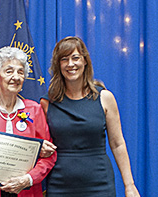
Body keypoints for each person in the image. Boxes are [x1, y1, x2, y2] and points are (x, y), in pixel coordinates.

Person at [40, 36, 140, 196]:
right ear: (58, 65)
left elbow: (117, 144)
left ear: (85, 61)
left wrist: (129, 185)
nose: (71, 64)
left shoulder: (105, 98)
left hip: (100, 185)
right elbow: (40, 144)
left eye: (75, 58)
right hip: (60, 185)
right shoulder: (46, 103)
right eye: (64, 59)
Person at [0, 46, 57, 197]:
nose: (16, 77)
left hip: (27, 191)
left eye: (20, 72)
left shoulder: (34, 110)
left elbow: (49, 156)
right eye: (9, 71)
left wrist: (28, 179)